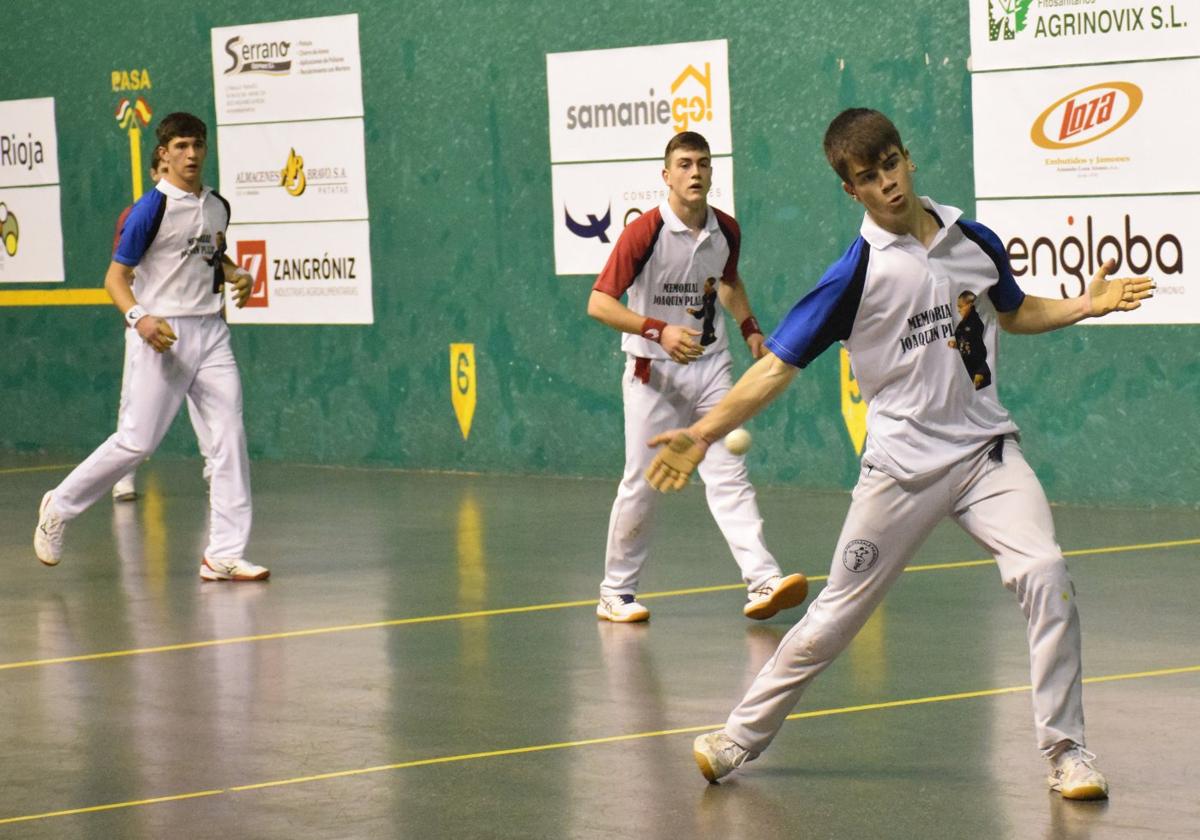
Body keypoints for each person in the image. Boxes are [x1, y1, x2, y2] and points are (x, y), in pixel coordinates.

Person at [646, 109, 1153, 798]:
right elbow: (774, 370)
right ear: (849, 190)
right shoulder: (853, 276)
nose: (885, 183)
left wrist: (1083, 306)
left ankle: (1067, 751)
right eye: (866, 177)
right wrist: (701, 434)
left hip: (985, 457)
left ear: (907, 159)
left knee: (1047, 572)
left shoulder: (969, 239)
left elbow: (1012, 310)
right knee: (831, 619)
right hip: (900, 473)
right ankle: (738, 737)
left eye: (890, 165)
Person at [34, 111, 268, 581]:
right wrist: (139, 319)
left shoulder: (217, 205)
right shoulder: (150, 210)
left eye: (198, 145)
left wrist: (238, 274)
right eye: (181, 146)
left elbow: (209, 254)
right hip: (161, 335)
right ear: (163, 154)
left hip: (211, 332)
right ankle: (59, 505)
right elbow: (115, 278)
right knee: (136, 443)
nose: (192, 154)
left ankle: (223, 552)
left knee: (228, 438)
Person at [587, 130, 808, 623]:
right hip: (654, 373)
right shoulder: (643, 232)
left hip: (712, 367)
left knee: (728, 472)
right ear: (666, 177)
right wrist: (657, 330)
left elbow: (727, 282)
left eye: (703, 164)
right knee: (643, 482)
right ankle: (615, 592)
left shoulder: (725, 229)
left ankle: (762, 580)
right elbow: (598, 303)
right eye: (684, 164)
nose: (695, 172)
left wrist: (750, 328)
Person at [110, 148, 215, 501]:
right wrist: (141, 319)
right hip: (149, 326)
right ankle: (122, 477)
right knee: (133, 406)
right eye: (158, 171)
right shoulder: (142, 213)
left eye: (196, 147)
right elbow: (122, 273)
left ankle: (216, 470)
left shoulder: (205, 208)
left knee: (207, 402)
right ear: (158, 170)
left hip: (196, 324)